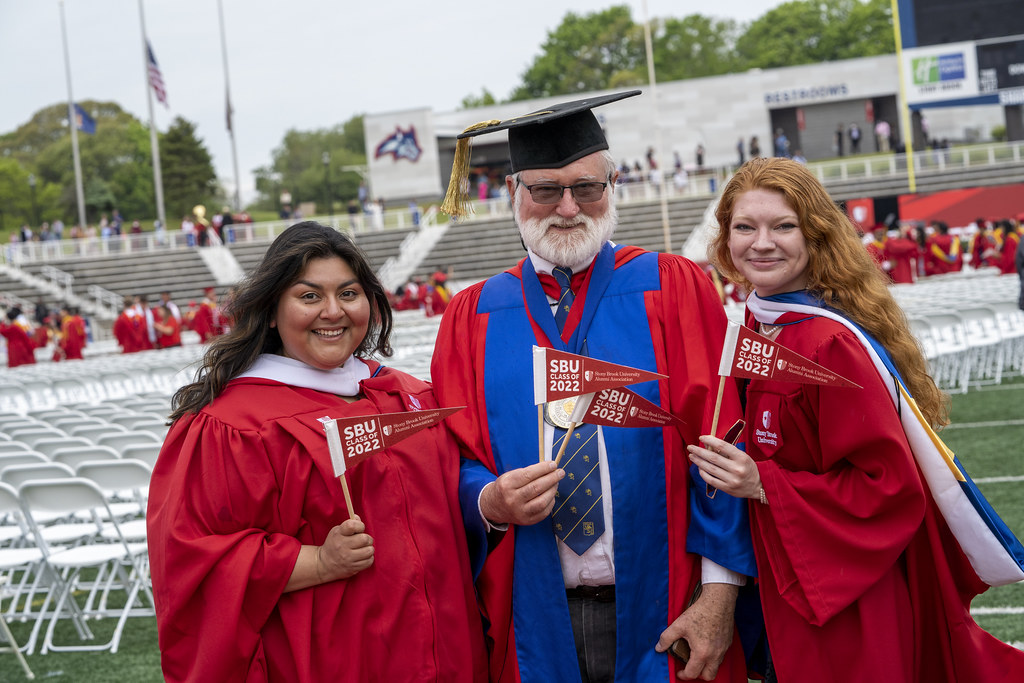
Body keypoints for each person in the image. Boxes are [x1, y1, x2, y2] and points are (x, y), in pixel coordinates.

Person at [433, 91, 756, 683]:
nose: (567, 207)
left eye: (586, 188)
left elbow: (721, 439)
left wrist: (720, 596)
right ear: (513, 194)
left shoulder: (671, 287)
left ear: (613, 185)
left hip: (669, 610)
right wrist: (489, 501)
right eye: (545, 190)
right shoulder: (472, 316)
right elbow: (451, 456)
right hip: (528, 616)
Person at [692, 156, 1024, 683]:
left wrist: (763, 484)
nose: (762, 242)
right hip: (788, 588)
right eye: (744, 227)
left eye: (784, 226)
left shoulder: (831, 344)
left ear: (815, 235)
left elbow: (889, 486)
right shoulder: (757, 328)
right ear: (725, 238)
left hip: (848, 600)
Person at [147, 221, 487, 682]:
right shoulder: (230, 426)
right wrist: (318, 562)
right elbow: (197, 564)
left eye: (349, 293)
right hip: (333, 662)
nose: (333, 311)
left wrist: (491, 501)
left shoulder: (409, 397)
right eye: (309, 297)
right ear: (271, 311)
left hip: (448, 654)